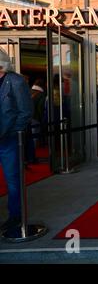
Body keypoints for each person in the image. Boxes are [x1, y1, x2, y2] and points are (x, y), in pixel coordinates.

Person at [0, 49, 33, 233]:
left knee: (13, 181)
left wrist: (13, 131)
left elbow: (25, 111)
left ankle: (16, 216)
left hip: (9, 140)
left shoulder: (16, 81)